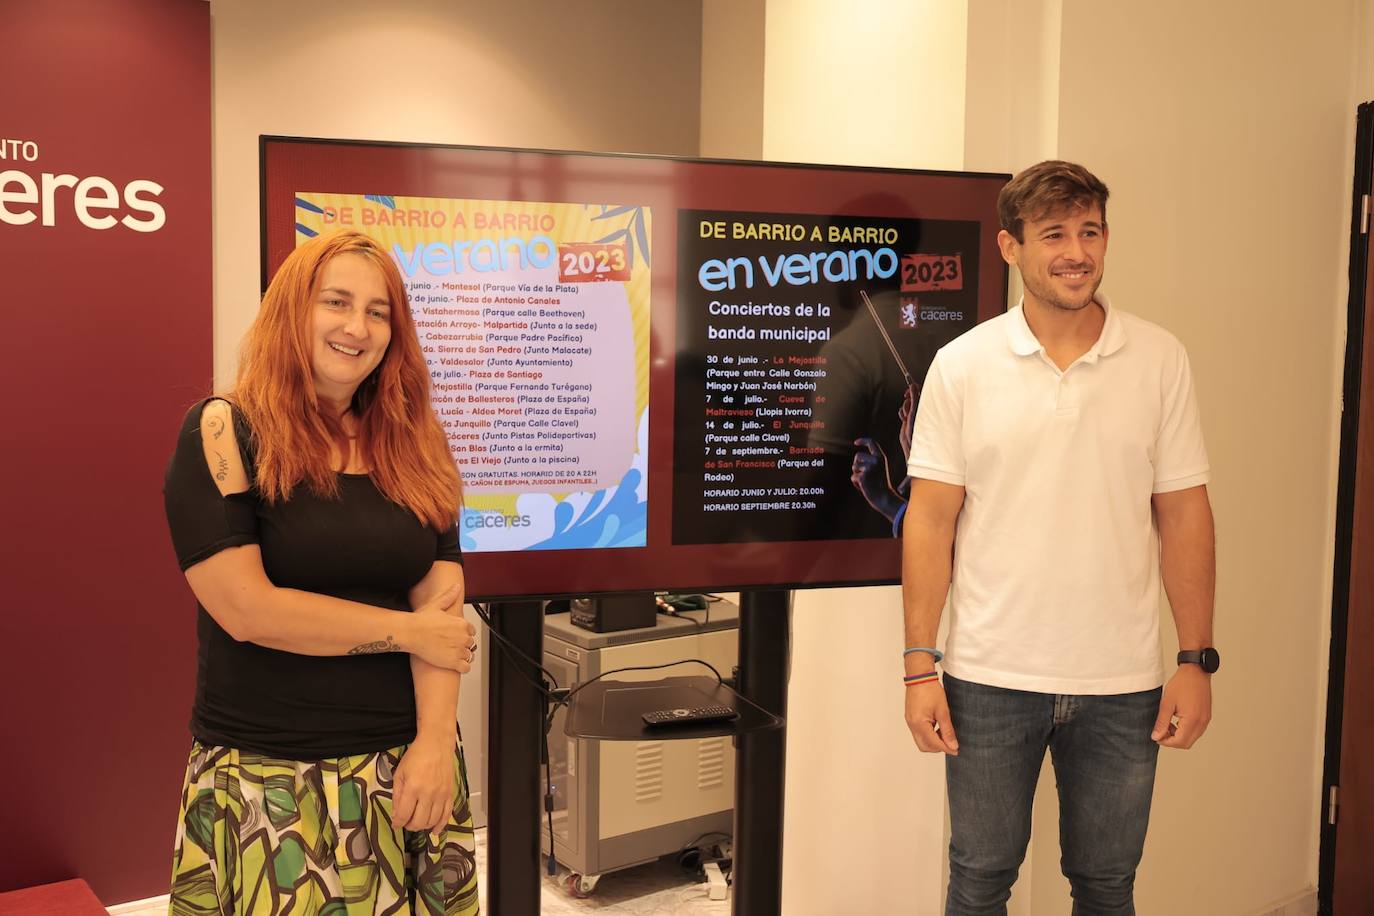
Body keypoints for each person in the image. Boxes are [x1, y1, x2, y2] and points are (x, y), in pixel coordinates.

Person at [900, 161, 1217, 915]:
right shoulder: (963, 365)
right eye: (1054, 235)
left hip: (1122, 682)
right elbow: (930, 519)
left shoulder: (1159, 359)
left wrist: (1196, 658)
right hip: (988, 677)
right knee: (979, 881)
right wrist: (920, 668)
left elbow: (1185, 514)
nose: (1076, 251)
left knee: (1107, 885)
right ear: (1011, 248)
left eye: (1090, 231)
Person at [163, 230, 482, 914]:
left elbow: (443, 608)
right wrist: (409, 633)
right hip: (270, 778)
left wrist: (432, 745)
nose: (356, 326)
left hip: (407, 768)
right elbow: (249, 611)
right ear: (292, 311)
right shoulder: (221, 431)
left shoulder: (416, 443)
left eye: (378, 311)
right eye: (335, 302)